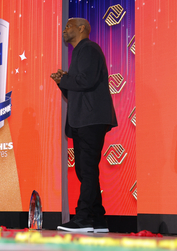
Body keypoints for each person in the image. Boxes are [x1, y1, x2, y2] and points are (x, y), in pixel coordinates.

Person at [51, 17, 117, 233]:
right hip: (83, 119)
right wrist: (63, 83)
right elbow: (75, 91)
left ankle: (83, 219)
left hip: (91, 119)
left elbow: (86, 81)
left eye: (68, 26)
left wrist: (65, 80)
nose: (64, 29)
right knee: (84, 169)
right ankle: (97, 219)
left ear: (81, 29)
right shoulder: (79, 52)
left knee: (86, 169)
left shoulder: (88, 48)